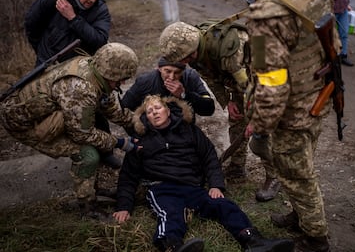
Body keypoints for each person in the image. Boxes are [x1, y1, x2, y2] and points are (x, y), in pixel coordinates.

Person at [231, 0, 342, 251]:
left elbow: (272, 81)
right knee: (300, 165)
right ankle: (302, 217)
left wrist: (261, 123)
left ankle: (315, 237)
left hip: (293, 111)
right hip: (319, 97)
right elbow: (335, 43)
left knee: (296, 173)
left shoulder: (266, 14)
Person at [113, 95, 294, 252]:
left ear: (168, 110)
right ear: (146, 118)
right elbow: (128, 176)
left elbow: (209, 157)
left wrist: (215, 184)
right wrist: (123, 206)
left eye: (158, 107)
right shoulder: (141, 141)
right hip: (162, 188)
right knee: (170, 213)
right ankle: (172, 246)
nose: (154, 112)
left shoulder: (189, 131)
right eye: (149, 111)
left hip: (192, 186)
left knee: (223, 205)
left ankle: (253, 240)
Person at [0, 43, 140, 218]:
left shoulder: (96, 71)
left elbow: (109, 106)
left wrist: (138, 123)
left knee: (94, 140)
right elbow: (82, 134)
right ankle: (87, 206)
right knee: (88, 155)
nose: (124, 82)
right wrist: (120, 142)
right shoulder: (81, 89)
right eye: (121, 79)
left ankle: (92, 189)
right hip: (24, 123)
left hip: (51, 111)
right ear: (110, 73)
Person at [159, 21, 281, 202]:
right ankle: (237, 166)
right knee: (237, 120)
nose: (183, 64)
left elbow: (253, 86)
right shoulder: (195, 52)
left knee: (261, 134)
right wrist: (229, 100)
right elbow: (213, 80)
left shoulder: (228, 51)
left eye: (184, 59)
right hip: (243, 81)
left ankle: (275, 175)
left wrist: (256, 117)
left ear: (192, 50)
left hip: (266, 78)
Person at [24, 0, 119, 168]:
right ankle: (75, 151)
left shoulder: (100, 8)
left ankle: (106, 152)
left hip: (83, 69)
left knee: (95, 109)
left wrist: (73, 18)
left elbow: (100, 41)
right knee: (53, 111)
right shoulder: (51, 0)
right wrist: (42, 51)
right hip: (50, 66)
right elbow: (31, 25)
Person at [121, 57, 215, 117]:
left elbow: (209, 109)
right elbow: (124, 108)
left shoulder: (190, 77)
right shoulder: (145, 81)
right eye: (168, 71)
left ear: (183, 71)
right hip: (154, 132)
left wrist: (184, 95)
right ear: (159, 68)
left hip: (184, 130)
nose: (172, 77)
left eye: (177, 72)